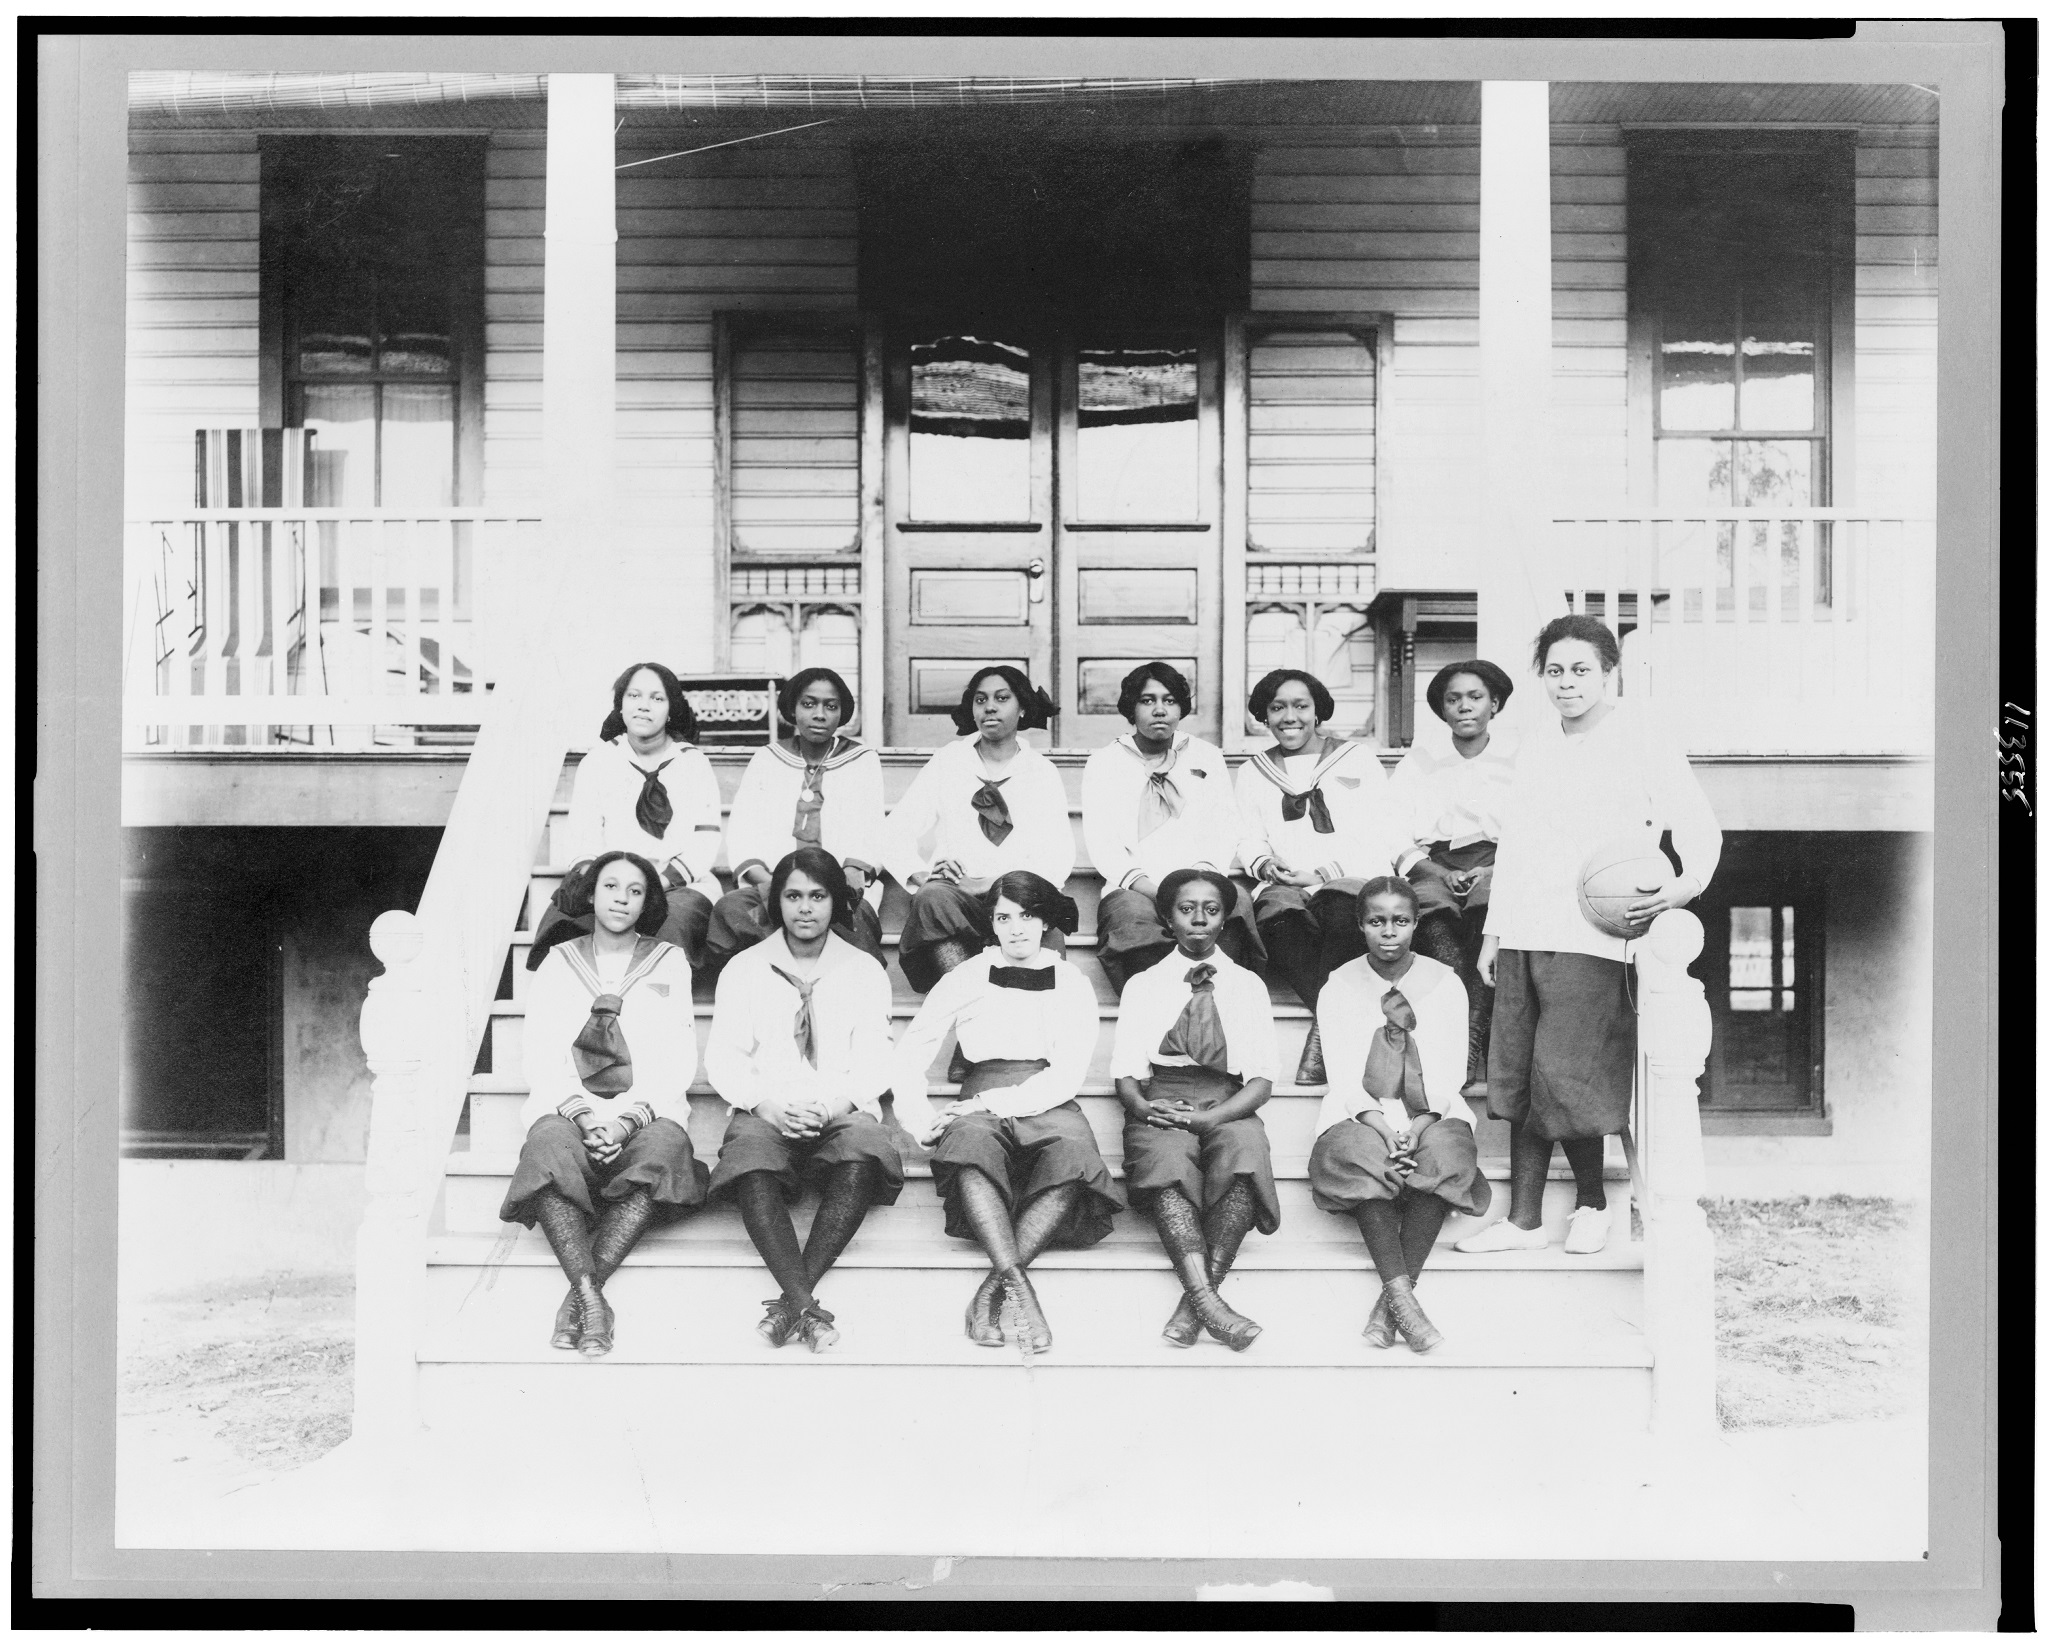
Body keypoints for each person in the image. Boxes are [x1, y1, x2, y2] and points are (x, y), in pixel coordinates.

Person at [1459, 615, 1722, 1258]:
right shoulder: (1538, 742)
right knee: (1519, 1071)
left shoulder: (1641, 735)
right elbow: (1516, 844)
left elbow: (1695, 821)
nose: (1567, 683)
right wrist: (1494, 935)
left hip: (1597, 933)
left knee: (1567, 1072)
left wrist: (1684, 886)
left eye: (1581, 670)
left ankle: (1593, 1205)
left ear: (1609, 672)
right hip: (1526, 927)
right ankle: (1521, 1221)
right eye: (1555, 670)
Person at [890, 871, 1116, 1353]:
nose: (1016, 928)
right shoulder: (964, 977)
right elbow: (912, 1051)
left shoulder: (1071, 981)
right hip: (982, 1086)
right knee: (968, 1140)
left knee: (1074, 1154)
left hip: (1048, 1095)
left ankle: (994, 1289)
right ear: (990, 924)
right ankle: (1021, 1290)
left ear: (1045, 921)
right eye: (1003, 917)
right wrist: (917, 1118)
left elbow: (1068, 1072)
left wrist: (989, 1103)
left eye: (1028, 916)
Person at [500, 851, 709, 1356]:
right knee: (547, 1146)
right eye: (611, 886)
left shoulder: (668, 961)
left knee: (663, 1150)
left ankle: (578, 1300)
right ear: (591, 895)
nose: (621, 898)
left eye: (635, 891)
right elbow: (542, 1054)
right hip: (572, 1107)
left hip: (645, 1109)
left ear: (647, 902)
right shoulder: (559, 960)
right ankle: (593, 1301)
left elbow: (676, 1059)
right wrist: (587, 1115)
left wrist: (625, 1123)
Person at [702, 847, 903, 1352]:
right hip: (770, 1106)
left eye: (818, 895)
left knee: (863, 1147)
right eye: (793, 896)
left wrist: (834, 1105)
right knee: (748, 1154)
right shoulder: (746, 968)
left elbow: (876, 1059)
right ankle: (806, 1307)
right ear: (777, 902)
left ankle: (792, 1303)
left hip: (838, 1106)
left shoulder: (863, 970)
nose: (805, 908)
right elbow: (724, 1057)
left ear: (837, 902)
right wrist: (765, 1104)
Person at [1309, 877, 1491, 1352]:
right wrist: (1379, 1123)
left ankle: (1388, 1307)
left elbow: (1450, 1073)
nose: (1388, 932)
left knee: (1446, 1153)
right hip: (1362, 1108)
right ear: (1361, 925)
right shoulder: (1340, 986)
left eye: (1400, 921)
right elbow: (1345, 1075)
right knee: (1357, 1153)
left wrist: (1420, 1124)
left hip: (1431, 1109)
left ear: (1415, 924)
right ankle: (1404, 1303)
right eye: (1376, 921)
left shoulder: (1445, 983)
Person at [1110, 867, 1280, 1351]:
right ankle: (1208, 1302)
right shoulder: (1144, 984)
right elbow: (1126, 1071)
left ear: (1225, 919)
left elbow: (1263, 1078)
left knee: (1245, 1149)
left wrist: (1213, 1116)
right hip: (1161, 1095)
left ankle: (1195, 1307)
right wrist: (1143, 1107)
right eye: (1187, 909)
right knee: (1166, 1158)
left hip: (1228, 1098)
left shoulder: (1246, 985)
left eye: (1211, 910)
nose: (1199, 919)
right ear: (1167, 917)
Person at [1233, 667, 1404, 1084]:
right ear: (1264, 715)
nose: (1289, 717)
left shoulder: (1355, 758)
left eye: (1300, 706)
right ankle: (1349, 1019)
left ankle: (1326, 1036)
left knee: (1343, 905)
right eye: (1277, 708)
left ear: (1318, 711)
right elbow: (1246, 836)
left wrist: (1321, 872)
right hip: (1286, 880)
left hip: (1345, 874)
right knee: (1275, 915)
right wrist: (1265, 864)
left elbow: (1376, 833)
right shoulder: (1254, 772)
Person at [881, 666, 1075, 994]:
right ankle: (974, 1001)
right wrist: (920, 874)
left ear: (1023, 707)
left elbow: (1058, 856)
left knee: (1042, 924)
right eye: (980, 699)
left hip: (1019, 897)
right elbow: (894, 830)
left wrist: (994, 884)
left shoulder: (1041, 771)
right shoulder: (949, 762)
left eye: (1002, 698)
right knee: (931, 898)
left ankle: (996, 1008)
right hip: (959, 900)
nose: (989, 707)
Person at [1081, 661, 1265, 994]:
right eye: (1147, 700)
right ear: (1131, 709)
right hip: (1136, 886)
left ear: (1181, 708)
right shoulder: (1105, 762)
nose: (1159, 710)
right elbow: (1102, 841)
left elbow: (1224, 827)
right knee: (1130, 919)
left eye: (1169, 700)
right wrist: (1153, 889)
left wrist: (1200, 880)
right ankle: (1157, 1014)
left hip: (1199, 879)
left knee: (1236, 903)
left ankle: (1218, 1004)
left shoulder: (1206, 757)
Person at [528, 662, 722, 972]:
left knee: (674, 921)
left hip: (676, 882)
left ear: (672, 708)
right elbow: (583, 835)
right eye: (634, 696)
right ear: (621, 705)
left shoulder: (693, 764)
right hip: (610, 877)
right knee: (565, 922)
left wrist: (656, 882)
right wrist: (609, 882)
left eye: (657, 698)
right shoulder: (600, 760)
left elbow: (706, 839)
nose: (644, 706)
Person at [1387, 658, 1520, 1097]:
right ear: (1443, 710)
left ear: (1495, 704)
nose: (1465, 707)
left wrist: (1492, 869)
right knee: (1434, 920)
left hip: (1500, 865)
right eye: (1453, 699)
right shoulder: (1420, 762)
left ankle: (1470, 1042)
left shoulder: (1520, 760)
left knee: (1489, 919)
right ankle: (1456, 1038)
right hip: (1434, 865)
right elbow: (1393, 833)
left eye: (1476, 697)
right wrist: (1436, 871)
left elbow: (1536, 832)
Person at [704, 668, 886, 976]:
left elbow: (870, 830)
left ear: (842, 713)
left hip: (839, 885)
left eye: (831, 706)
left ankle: (838, 988)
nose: (819, 714)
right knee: (731, 909)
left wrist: (845, 878)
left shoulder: (861, 760)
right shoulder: (767, 759)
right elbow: (744, 830)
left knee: (854, 919)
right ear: (792, 708)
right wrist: (771, 884)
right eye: (809, 704)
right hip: (776, 881)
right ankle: (777, 980)